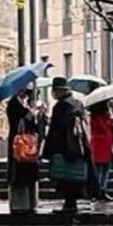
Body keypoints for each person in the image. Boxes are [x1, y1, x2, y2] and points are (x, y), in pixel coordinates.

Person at [42, 77, 89, 213]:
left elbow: (55, 130)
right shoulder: (77, 104)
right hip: (77, 146)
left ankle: (69, 203)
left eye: (54, 91)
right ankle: (71, 202)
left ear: (58, 91)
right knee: (72, 176)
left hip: (63, 146)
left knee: (64, 176)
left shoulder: (61, 106)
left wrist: (48, 150)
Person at [6, 85, 39, 213]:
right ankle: (20, 204)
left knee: (26, 170)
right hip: (19, 142)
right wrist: (28, 114)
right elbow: (17, 121)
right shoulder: (14, 104)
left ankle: (29, 202)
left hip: (26, 142)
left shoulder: (25, 104)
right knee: (19, 171)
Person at [89, 101, 113, 201]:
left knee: (105, 169)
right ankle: (98, 190)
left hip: (105, 145)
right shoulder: (98, 117)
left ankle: (102, 189)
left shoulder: (100, 116)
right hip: (101, 145)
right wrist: (109, 119)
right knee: (100, 169)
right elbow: (102, 127)